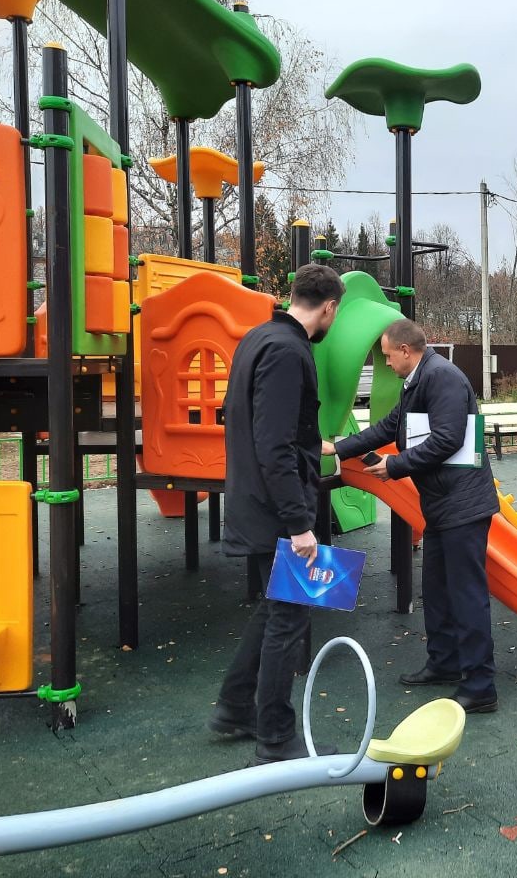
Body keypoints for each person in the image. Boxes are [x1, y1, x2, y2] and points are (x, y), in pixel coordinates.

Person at [324, 318, 501, 714]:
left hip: (462, 506)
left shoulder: (443, 379)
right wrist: (339, 448)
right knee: (436, 589)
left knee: (467, 595)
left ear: (406, 351)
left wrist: (396, 466)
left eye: (388, 356)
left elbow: (448, 438)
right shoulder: (418, 380)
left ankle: (480, 684)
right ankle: (445, 661)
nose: (386, 363)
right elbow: (392, 425)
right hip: (441, 504)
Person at [207, 263, 344, 765]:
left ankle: (235, 707)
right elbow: (275, 445)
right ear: (329, 307)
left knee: (273, 608)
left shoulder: (257, 338)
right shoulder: (289, 352)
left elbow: (266, 428)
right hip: (276, 510)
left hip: (252, 499)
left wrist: (316, 444)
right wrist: (301, 524)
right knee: (290, 616)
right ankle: (275, 736)